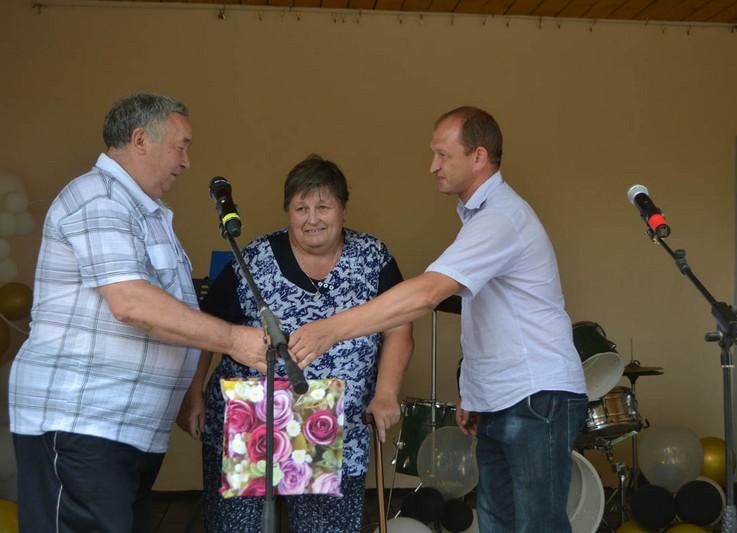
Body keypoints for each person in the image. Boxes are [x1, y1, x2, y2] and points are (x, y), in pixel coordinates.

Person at [289, 107, 588, 533]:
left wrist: (329, 330)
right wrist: (474, 391)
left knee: (536, 527)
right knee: (498, 524)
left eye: (442, 155)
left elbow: (427, 293)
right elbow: (493, 319)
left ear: (478, 157)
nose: (433, 166)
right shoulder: (481, 218)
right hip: (505, 398)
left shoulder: (501, 218)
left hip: (534, 396)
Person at [8, 92, 269, 533]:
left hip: (122, 431)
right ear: (141, 139)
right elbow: (131, 302)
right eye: (181, 146)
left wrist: (185, 391)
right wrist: (231, 340)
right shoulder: (99, 198)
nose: (186, 162)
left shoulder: (145, 212)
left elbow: (166, 313)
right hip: (81, 425)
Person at [176, 154, 413, 533]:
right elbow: (206, 327)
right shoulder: (254, 259)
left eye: (323, 207)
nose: (312, 218)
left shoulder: (372, 258)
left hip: (335, 422)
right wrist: (193, 393)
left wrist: (386, 393)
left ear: (343, 210)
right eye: (301, 208)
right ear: (288, 212)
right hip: (251, 420)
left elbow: (398, 326)